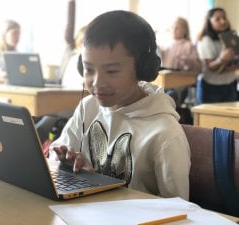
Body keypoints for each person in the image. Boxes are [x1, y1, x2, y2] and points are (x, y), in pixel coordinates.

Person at [49, 10, 190, 200]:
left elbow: (178, 207)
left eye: (112, 71)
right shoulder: (88, 107)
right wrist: (64, 159)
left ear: (143, 68)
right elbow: (55, 153)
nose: (97, 82)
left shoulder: (165, 134)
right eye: (89, 69)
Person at [196, 7, 239, 103]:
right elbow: (210, 67)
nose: (223, 21)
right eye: (217, 19)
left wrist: (227, 66)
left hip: (230, 84)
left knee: (228, 117)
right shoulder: (206, 40)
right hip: (211, 86)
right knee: (209, 117)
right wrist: (221, 59)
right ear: (209, 22)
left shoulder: (231, 37)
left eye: (224, 18)